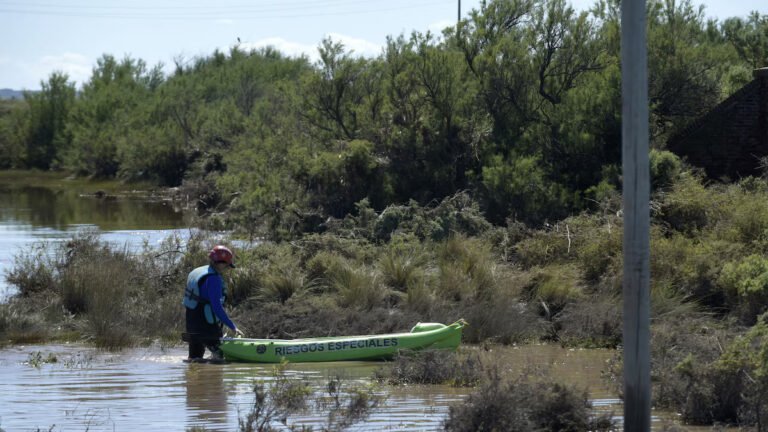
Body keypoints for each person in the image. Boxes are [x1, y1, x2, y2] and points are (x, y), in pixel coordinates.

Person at [183, 245, 244, 362]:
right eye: (226, 265)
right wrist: (233, 327)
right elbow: (216, 307)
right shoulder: (213, 279)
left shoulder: (197, 271)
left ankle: (193, 380)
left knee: (194, 360)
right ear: (221, 263)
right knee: (220, 356)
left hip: (191, 320)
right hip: (206, 323)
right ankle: (213, 380)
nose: (226, 268)